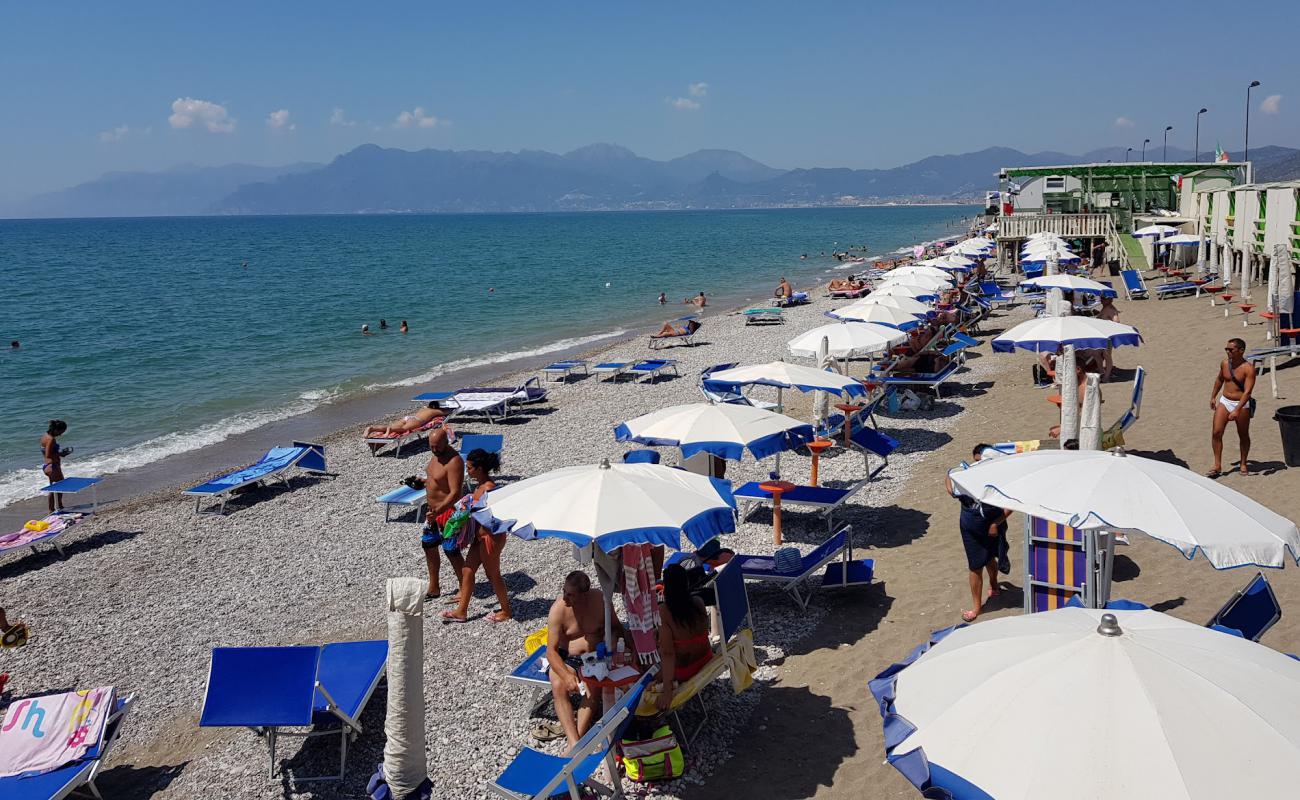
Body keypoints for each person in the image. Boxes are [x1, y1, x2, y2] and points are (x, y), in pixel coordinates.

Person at [545, 571, 629, 748]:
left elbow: (617, 628)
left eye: (571, 595)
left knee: (594, 687)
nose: (565, 598)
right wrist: (567, 677)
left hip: (595, 655)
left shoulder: (600, 600)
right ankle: (573, 741)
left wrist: (614, 639)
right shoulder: (558, 610)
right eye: (564, 591)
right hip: (567, 655)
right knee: (558, 684)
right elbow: (551, 652)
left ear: (585, 595)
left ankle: (577, 741)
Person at [443, 449, 512, 623]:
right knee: (467, 570)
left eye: (470, 468)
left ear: (480, 468)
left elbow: (493, 515)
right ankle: (461, 611)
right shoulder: (480, 487)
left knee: (493, 574)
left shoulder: (489, 488)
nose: (468, 471)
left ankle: (506, 611)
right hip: (479, 537)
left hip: (490, 538)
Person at [946, 466, 1011, 622]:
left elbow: (1010, 505)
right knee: (976, 565)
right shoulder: (964, 484)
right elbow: (948, 479)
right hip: (969, 527)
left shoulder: (993, 484)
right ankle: (978, 605)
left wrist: (996, 523)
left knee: (988, 557)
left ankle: (992, 587)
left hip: (991, 525)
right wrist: (952, 474)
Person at [654, 563, 714, 712]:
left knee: (643, 662)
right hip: (705, 660)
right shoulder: (698, 603)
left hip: (685, 671)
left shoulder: (664, 611)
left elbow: (668, 654)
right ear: (686, 583)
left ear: (665, 587)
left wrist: (667, 692)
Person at [421, 428, 466, 599]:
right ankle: (434, 587)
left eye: (437, 447)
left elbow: (455, 493)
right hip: (431, 513)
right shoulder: (436, 456)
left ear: (446, 442)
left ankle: (464, 586)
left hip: (447, 514)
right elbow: (434, 481)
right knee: (429, 546)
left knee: (451, 551)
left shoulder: (454, 461)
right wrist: (421, 483)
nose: (434, 450)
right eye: (431, 447)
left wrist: (439, 510)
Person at [1209, 337, 1256, 477]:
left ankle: (1243, 463)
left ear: (1241, 351)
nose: (1227, 351)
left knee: (1243, 434)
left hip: (1241, 403)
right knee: (1216, 432)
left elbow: (1247, 392)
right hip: (1225, 401)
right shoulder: (1224, 364)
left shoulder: (1248, 368)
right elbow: (1220, 379)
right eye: (1226, 349)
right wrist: (1213, 396)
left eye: (1231, 349)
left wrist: (1237, 409)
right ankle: (1217, 464)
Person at [970, 444, 1011, 575]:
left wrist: (995, 524)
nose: (978, 464)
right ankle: (994, 585)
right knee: (986, 556)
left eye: (979, 461)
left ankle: (994, 584)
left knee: (995, 553)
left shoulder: (999, 477)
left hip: (996, 521)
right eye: (976, 461)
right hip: (983, 521)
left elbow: (1009, 506)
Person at [363, 402, 446, 441]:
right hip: (416, 421)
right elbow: (446, 412)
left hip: (409, 417)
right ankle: (389, 431)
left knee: (395, 425)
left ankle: (372, 428)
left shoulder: (423, 408)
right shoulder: (434, 411)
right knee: (403, 429)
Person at [41, 420, 70, 512]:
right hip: (53, 466)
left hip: (47, 466)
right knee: (60, 486)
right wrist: (61, 454)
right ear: (57, 430)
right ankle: (56, 508)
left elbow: (45, 452)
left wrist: (58, 453)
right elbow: (48, 455)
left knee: (54, 487)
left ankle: (54, 508)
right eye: (61, 432)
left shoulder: (45, 436)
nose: (61, 434)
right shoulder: (51, 439)